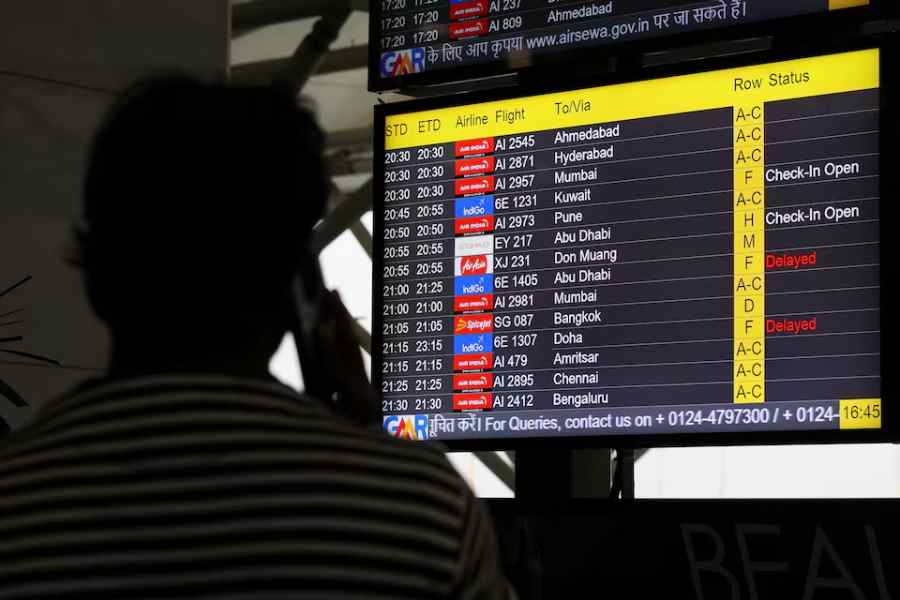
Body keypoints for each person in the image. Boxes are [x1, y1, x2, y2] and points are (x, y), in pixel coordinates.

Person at [0, 79, 511, 599]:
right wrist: (369, 434)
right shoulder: (426, 511)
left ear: (96, 276)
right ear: (301, 286)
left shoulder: (16, 495)